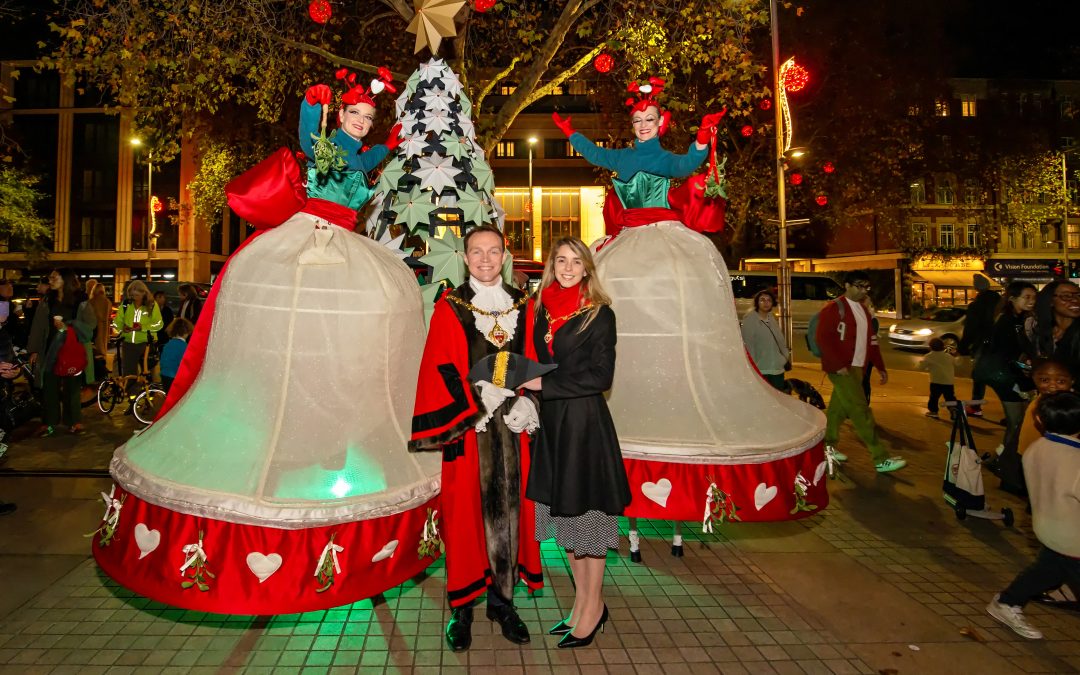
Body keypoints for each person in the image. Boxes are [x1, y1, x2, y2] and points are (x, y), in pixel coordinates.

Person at [409, 226, 543, 652]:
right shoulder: (451, 306)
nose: (485, 259)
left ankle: (502, 602)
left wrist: (530, 402)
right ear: (465, 258)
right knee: (465, 516)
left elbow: (536, 361)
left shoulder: (525, 305)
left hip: (513, 431)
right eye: (477, 252)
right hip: (471, 431)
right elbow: (438, 366)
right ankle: (462, 608)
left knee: (511, 514)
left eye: (494, 251)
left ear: (504, 256)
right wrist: (475, 402)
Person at [526, 237, 630, 649]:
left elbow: (601, 378)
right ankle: (583, 604)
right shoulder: (540, 309)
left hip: (585, 426)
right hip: (551, 425)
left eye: (576, 262)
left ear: (587, 268)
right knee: (564, 520)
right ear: (552, 265)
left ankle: (593, 606)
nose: (568, 268)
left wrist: (541, 384)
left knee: (588, 520)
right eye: (561, 260)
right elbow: (531, 359)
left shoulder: (599, 314)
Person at [986, 391, 1080, 639]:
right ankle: (1007, 603)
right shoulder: (1076, 461)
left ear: (1039, 420)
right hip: (1073, 540)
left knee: (1047, 571)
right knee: (1053, 570)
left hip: (1047, 529)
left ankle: (1007, 602)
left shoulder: (1036, 448)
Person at [815, 270, 907, 473]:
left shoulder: (864, 311)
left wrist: (880, 366)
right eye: (859, 286)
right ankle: (880, 457)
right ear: (847, 286)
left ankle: (826, 447)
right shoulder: (834, 309)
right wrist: (837, 364)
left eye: (866, 287)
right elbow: (823, 339)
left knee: (837, 411)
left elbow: (871, 342)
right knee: (860, 410)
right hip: (841, 368)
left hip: (857, 368)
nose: (863, 291)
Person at [975, 281, 1036, 494]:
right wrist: (1024, 378)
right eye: (1026, 297)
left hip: (1011, 375)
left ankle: (1002, 457)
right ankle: (1003, 463)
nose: (1031, 301)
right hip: (1005, 377)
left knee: (1017, 423)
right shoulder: (1007, 321)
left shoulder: (1020, 320)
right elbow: (1006, 356)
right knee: (1016, 423)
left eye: (1033, 297)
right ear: (1013, 299)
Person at [26, 268, 96, 436]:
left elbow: (91, 325)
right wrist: (34, 350)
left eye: (54, 277)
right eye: (50, 277)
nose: (50, 280)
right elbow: (38, 326)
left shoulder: (81, 300)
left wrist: (69, 325)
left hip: (72, 350)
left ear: (65, 279)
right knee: (49, 387)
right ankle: (49, 422)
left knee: (73, 388)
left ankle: (74, 421)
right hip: (50, 350)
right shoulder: (47, 300)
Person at [112, 280, 163, 403]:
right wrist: (121, 328)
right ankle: (132, 399)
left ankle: (148, 397)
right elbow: (116, 322)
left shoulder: (152, 305)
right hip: (128, 343)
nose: (134, 298)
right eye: (132, 295)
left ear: (144, 293)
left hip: (146, 344)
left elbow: (159, 324)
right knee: (129, 373)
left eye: (137, 295)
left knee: (148, 372)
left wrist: (143, 327)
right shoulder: (125, 305)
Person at [960, 274, 1001, 416]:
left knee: (979, 376)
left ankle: (976, 406)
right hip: (1000, 344)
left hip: (983, 345)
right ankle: (1013, 409)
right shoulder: (999, 302)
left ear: (976, 287)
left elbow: (970, 328)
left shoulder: (977, 305)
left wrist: (963, 347)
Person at [740, 288, 789, 390]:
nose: (766, 303)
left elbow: (780, 341)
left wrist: (784, 358)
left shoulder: (771, 318)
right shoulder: (750, 320)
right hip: (761, 370)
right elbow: (748, 345)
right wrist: (753, 366)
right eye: (762, 300)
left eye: (769, 300)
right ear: (757, 302)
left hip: (777, 368)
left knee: (778, 400)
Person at [1030, 280, 1080, 377]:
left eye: (1078, 295)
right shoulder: (1040, 331)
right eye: (1066, 296)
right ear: (1050, 301)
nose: (1075, 300)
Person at [919, 337, 957, 419]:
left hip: (936, 381)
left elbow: (921, 366)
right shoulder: (948, 356)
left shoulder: (929, 356)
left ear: (930, 347)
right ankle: (953, 409)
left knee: (934, 397)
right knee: (950, 397)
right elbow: (956, 364)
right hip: (948, 381)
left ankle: (934, 411)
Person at [86, 280, 113, 381]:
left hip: (93, 331)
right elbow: (109, 317)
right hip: (104, 331)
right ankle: (103, 375)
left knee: (93, 354)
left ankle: (93, 377)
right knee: (103, 352)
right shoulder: (107, 302)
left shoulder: (90, 302)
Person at [158, 318, 192, 393]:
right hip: (175, 378)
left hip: (164, 376)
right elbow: (186, 365)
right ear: (186, 332)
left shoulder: (167, 344)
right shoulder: (184, 346)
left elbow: (162, 361)